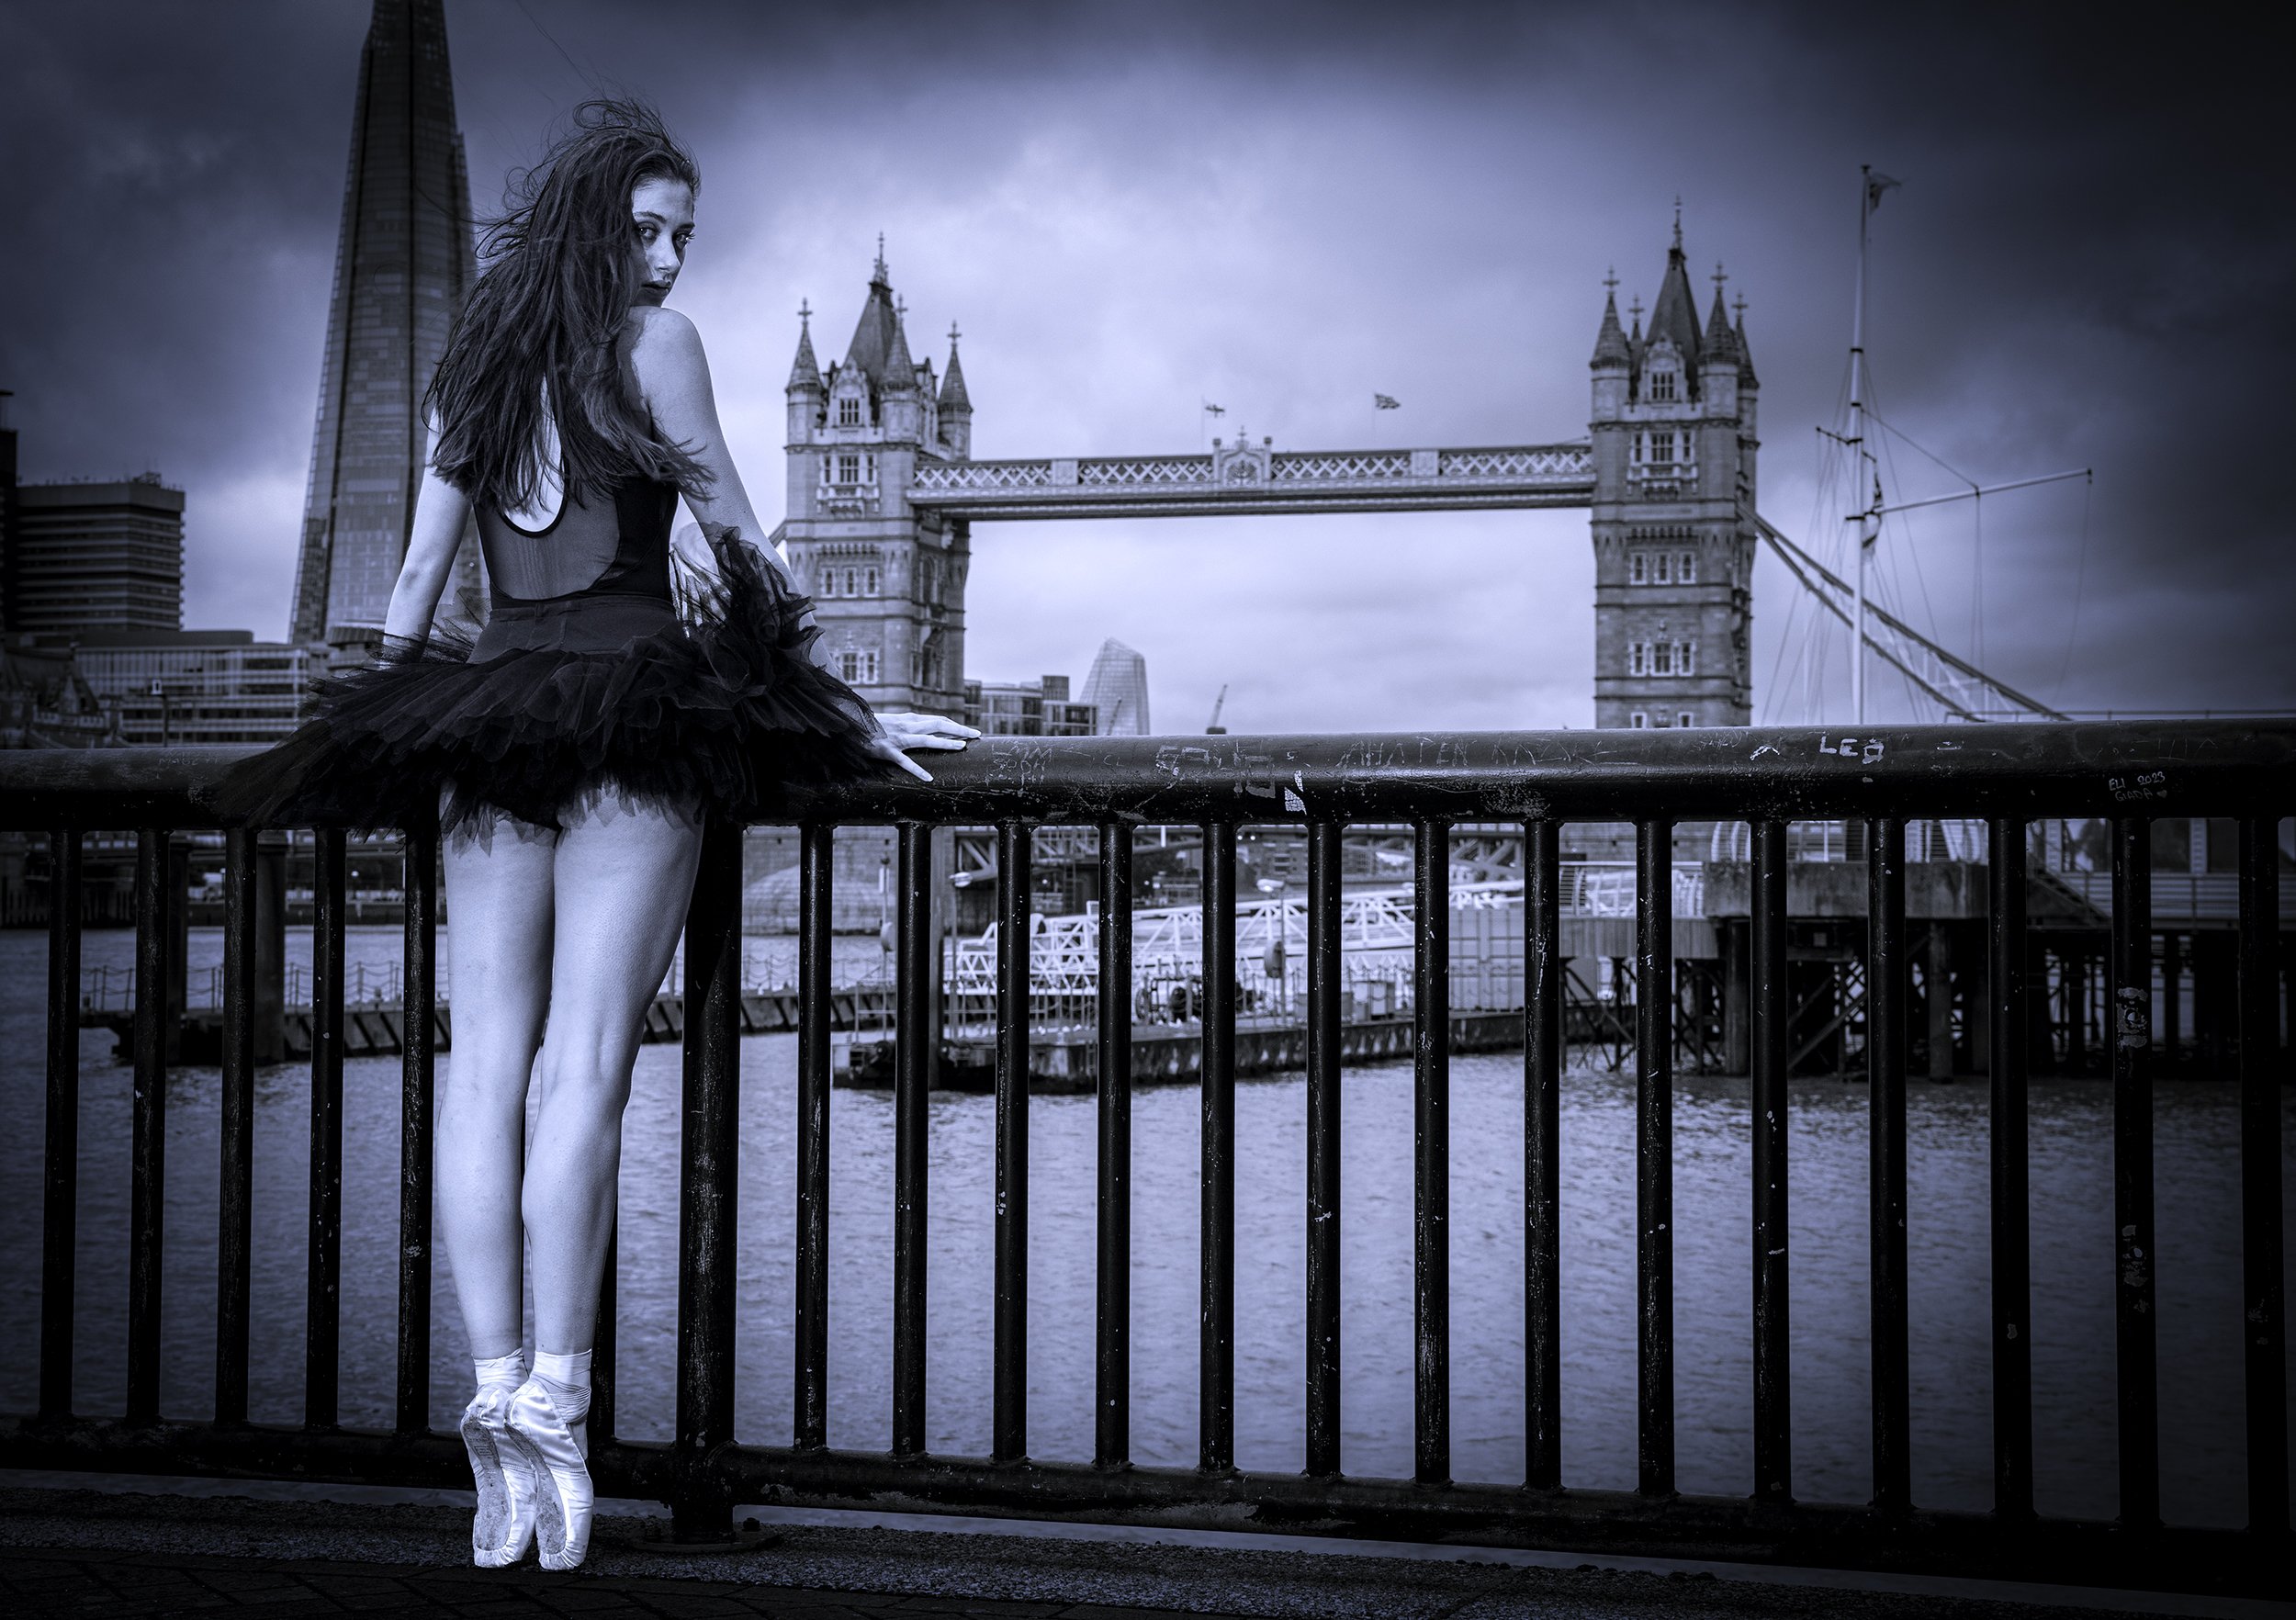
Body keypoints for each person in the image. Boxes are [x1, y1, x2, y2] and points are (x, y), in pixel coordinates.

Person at [216, 99, 975, 1569]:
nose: (673, 260)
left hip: (487, 716)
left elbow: (422, 576)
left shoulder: (476, 369)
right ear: (594, 225)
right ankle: (558, 1402)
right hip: (633, 715)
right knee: (584, 1076)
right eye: (649, 230)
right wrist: (854, 711)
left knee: (477, 1071)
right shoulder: (658, 351)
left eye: (687, 234)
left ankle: (487, 1392)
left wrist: (382, 723)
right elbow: (747, 541)